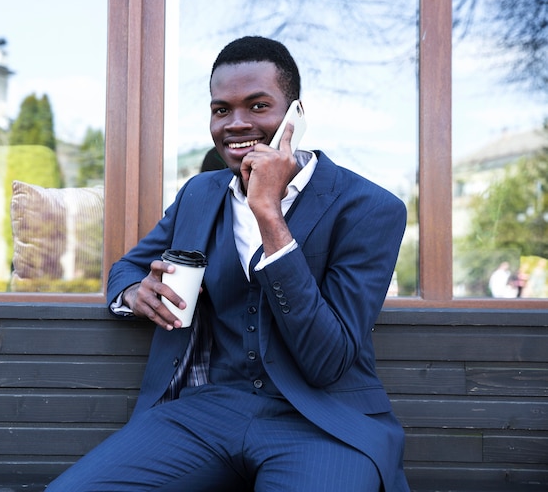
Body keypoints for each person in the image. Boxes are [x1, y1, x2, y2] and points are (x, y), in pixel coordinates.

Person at [46, 36, 409, 492]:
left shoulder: (370, 208)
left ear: (295, 114)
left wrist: (269, 215)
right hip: (209, 410)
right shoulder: (201, 193)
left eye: (258, 106)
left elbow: (328, 360)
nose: (236, 124)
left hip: (323, 419)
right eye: (222, 110)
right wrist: (135, 294)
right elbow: (127, 268)